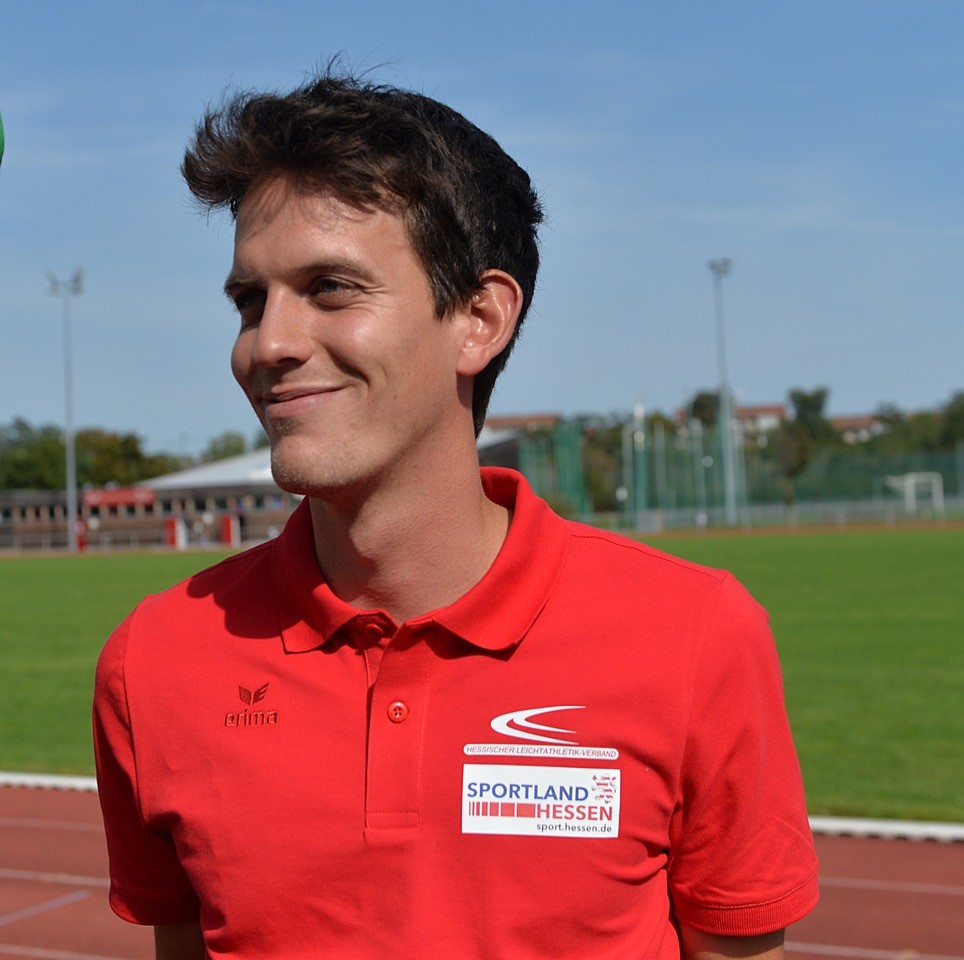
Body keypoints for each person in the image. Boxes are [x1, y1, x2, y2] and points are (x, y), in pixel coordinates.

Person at [93, 68, 818, 960]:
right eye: (251, 300)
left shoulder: (697, 636)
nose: (267, 344)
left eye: (331, 287)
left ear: (480, 319)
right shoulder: (154, 660)